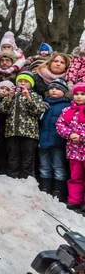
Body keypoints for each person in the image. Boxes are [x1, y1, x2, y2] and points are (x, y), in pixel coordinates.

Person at [0, 72, 45, 178]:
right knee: (13, 158)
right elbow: (2, 110)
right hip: (12, 132)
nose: (22, 83)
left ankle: (27, 180)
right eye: (20, 81)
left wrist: (28, 97)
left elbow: (38, 110)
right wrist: (9, 97)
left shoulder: (35, 96)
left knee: (27, 158)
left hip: (29, 133)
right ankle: (13, 179)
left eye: (26, 82)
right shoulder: (12, 95)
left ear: (31, 84)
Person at [38, 78, 71, 199]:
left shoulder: (68, 105)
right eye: (51, 88)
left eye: (57, 88)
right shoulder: (43, 103)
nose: (53, 91)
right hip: (43, 140)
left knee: (58, 166)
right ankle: (45, 188)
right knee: (44, 165)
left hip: (58, 141)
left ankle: (59, 191)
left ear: (64, 91)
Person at [56, 82, 85, 212]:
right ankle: (74, 200)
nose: (79, 97)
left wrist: (82, 136)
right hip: (74, 151)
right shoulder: (68, 111)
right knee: (75, 176)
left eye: (82, 94)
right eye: (76, 94)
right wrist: (70, 134)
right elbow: (60, 125)